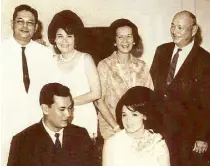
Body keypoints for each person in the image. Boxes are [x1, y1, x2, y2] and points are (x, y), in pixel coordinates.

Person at [150, 10, 210, 166]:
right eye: (172, 26)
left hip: (187, 135)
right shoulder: (161, 51)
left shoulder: (205, 60)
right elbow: (151, 88)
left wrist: (202, 137)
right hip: (159, 130)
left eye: (180, 27)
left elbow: (207, 104)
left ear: (194, 30)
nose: (174, 31)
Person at [0, 4, 56, 166]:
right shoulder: (1, 51)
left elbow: (50, 89)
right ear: (12, 24)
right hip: (5, 122)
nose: (25, 26)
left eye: (30, 22)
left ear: (36, 27)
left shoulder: (45, 54)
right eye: (20, 21)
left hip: (35, 122)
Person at [7, 83, 93, 166]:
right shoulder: (23, 141)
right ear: (45, 109)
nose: (68, 114)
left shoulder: (81, 135)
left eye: (70, 108)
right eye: (62, 109)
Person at [95, 18, 154, 139]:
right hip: (112, 129)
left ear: (134, 40)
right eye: (120, 37)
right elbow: (98, 101)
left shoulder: (142, 66)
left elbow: (150, 99)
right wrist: (117, 128)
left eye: (129, 36)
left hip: (139, 129)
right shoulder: (104, 65)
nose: (125, 41)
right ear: (114, 41)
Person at [47, 10, 101, 138]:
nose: (64, 41)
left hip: (83, 116)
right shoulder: (52, 61)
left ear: (76, 38)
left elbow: (96, 93)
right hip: (59, 119)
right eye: (60, 36)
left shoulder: (85, 59)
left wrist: (67, 104)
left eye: (69, 36)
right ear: (54, 39)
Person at [102, 86, 170, 166]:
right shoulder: (112, 144)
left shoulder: (157, 142)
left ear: (145, 116)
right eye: (124, 115)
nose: (128, 120)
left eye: (134, 115)